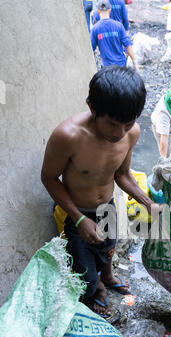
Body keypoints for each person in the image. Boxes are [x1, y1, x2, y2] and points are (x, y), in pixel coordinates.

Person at [41, 66, 156, 318]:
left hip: (108, 209)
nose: (119, 133)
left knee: (108, 250)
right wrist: (79, 219)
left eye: (128, 124)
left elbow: (122, 174)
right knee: (85, 275)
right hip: (76, 213)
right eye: (113, 124)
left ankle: (109, 275)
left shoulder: (130, 134)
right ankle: (98, 289)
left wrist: (149, 203)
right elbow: (48, 178)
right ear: (93, 108)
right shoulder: (68, 136)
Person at [90, 0, 137, 69]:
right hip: (121, 65)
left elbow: (91, 49)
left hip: (107, 67)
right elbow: (127, 45)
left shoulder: (95, 29)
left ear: (98, 11)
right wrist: (134, 61)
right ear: (109, 10)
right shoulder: (119, 26)